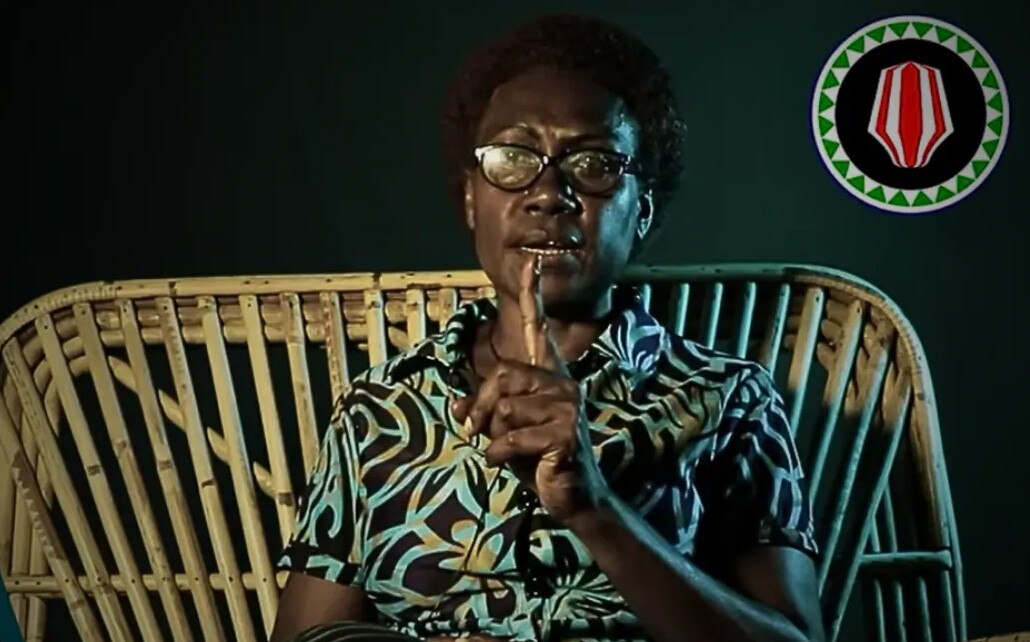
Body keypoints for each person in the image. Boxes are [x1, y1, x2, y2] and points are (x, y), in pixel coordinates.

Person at [270, 13, 824, 642]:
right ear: (472, 199)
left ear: (640, 209)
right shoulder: (381, 408)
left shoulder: (726, 398)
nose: (547, 193)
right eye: (512, 158)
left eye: (592, 164)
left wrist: (594, 506)